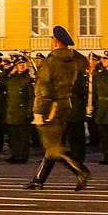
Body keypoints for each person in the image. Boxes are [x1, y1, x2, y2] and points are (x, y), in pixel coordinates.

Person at [26, 26, 92, 190]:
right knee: (53, 144)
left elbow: (42, 88)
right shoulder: (72, 60)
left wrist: (38, 111)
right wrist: (69, 49)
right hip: (65, 105)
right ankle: (39, 179)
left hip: (50, 108)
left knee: (53, 146)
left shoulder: (51, 61)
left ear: (55, 42)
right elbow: (85, 63)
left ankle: (81, 170)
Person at [2, 55, 35, 164]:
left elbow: (31, 97)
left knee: (23, 136)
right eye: (19, 64)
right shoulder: (11, 78)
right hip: (12, 111)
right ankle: (15, 154)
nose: (21, 66)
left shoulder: (28, 79)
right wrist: (9, 70)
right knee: (13, 136)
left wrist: (29, 111)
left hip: (23, 111)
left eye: (23, 64)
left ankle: (22, 155)